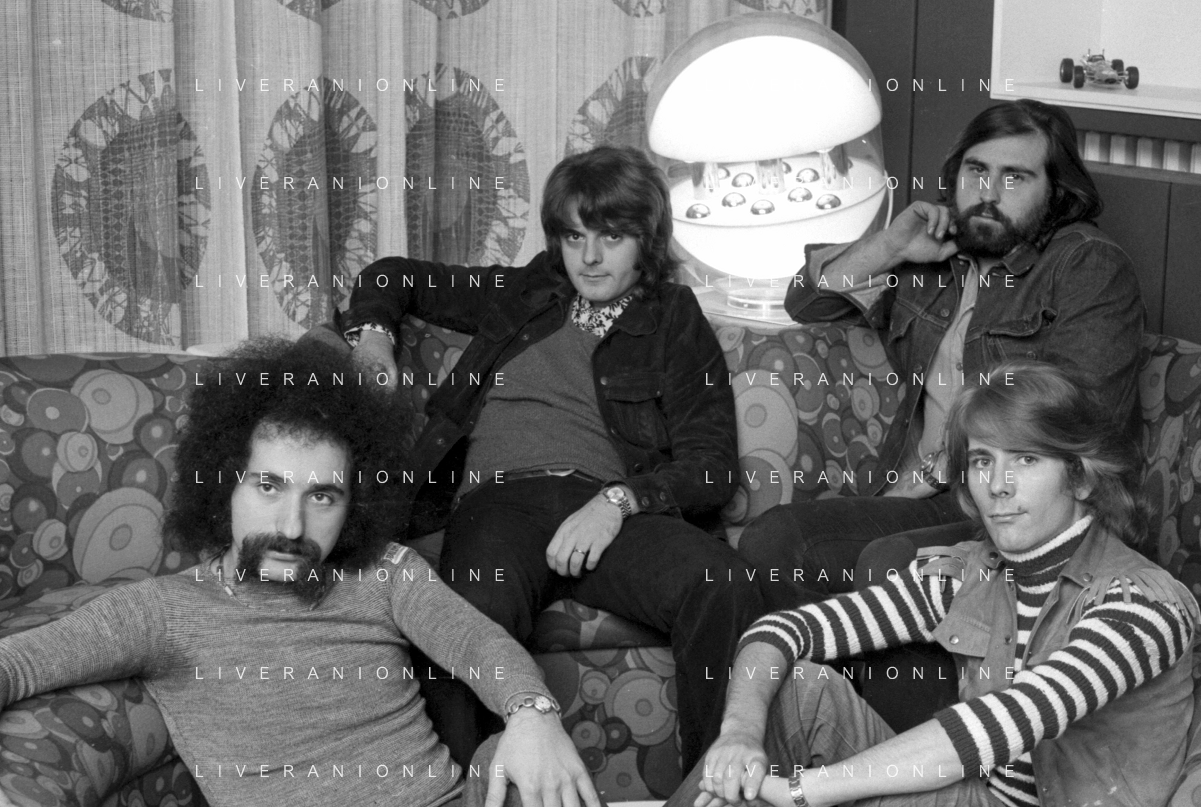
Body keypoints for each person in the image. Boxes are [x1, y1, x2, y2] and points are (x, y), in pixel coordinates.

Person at [0, 339, 601, 807]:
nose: (292, 526)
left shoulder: (386, 574)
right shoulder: (163, 611)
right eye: (269, 487)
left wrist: (531, 713)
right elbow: (22, 663)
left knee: (526, 764)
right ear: (225, 487)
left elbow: (474, 642)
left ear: (354, 505)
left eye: (322, 497)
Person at [340, 145, 765, 770]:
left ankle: (715, 785)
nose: (589, 257)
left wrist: (617, 503)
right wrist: (373, 340)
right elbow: (391, 275)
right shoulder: (526, 291)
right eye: (574, 236)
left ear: (646, 241)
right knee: (466, 617)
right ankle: (471, 794)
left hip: (605, 509)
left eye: (612, 236)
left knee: (720, 583)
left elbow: (711, 467)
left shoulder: (674, 318)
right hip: (498, 503)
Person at [666, 359, 1197, 807]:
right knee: (799, 689)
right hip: (980, 800)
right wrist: (738, 735)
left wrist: (807, 791)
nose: (998, 485)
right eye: (983, 461)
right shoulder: (970, 574)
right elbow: (785, 629)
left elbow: (1010, 719)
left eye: (1027, 459)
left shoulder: (1143, 604)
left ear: (1080, 476)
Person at [738, 99, 1145, 613]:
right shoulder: (936, 257)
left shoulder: (1087, 265)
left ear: (1057, 192)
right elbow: (808, 302)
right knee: (773, 541)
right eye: (976, 171)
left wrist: (935, 471)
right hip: (924, 501)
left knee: (873, 560)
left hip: (1021, 511)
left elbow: (1078, 418)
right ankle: (816, 665)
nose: (988, 193)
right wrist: (891, 246)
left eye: (1014, 178)